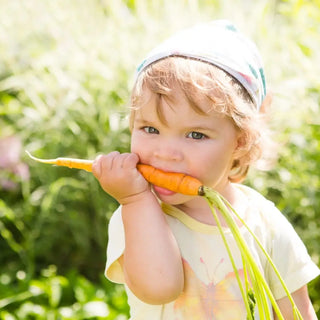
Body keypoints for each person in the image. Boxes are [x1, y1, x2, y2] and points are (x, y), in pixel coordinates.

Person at [92, 20, 320, 319]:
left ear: (241, 141)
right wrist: (134, 200)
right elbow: (159, 287)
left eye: (196, 135)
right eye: (150, 128)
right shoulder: (138, 214)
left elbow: (296, 313)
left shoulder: (264, 222)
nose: (165, 153)